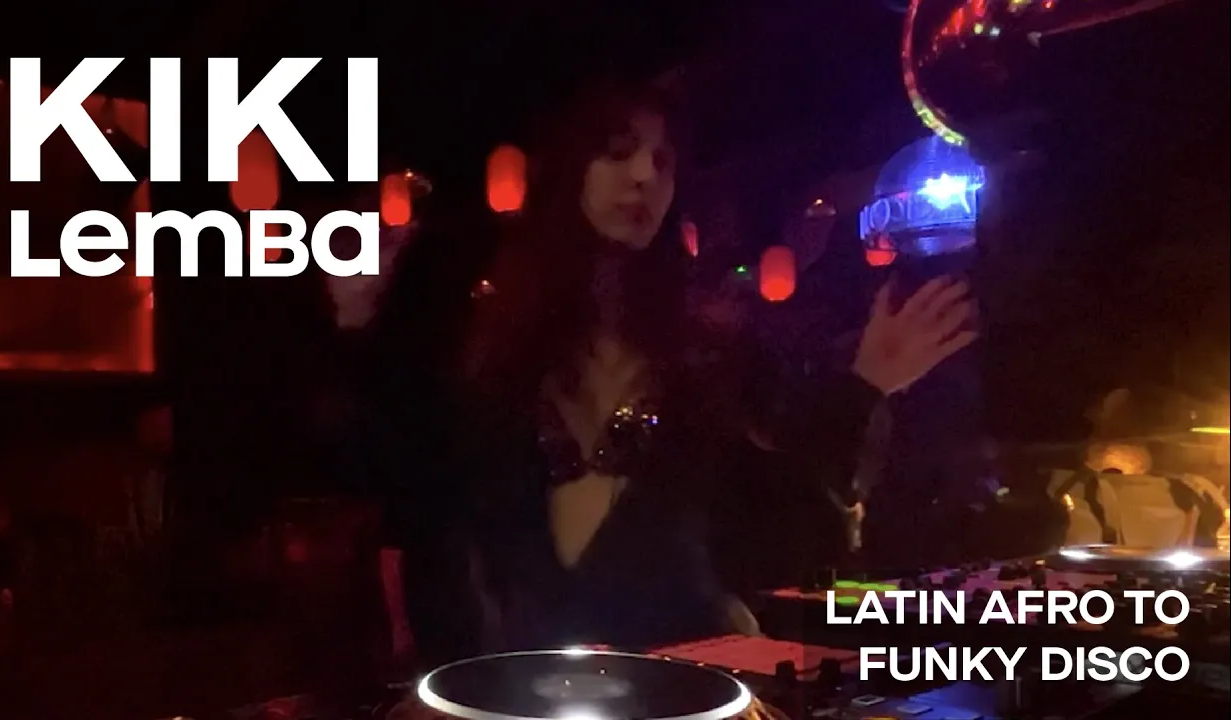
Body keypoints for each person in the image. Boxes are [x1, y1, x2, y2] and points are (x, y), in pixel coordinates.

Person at [389, 72, 978, 656]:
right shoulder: (491, 361)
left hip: (684, 679)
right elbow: (438, 538)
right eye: (617, 151)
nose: (645, 175)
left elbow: (784, 533)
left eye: (663, 161)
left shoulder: (705, 355)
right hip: (518, 684)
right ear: (568, 169)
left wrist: (867, 386)